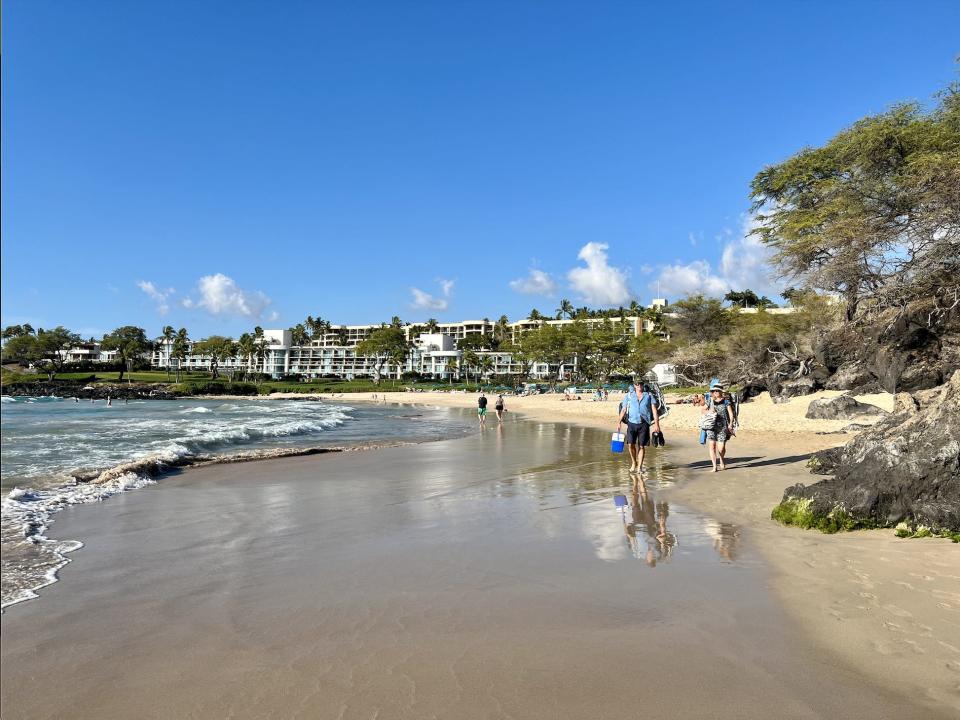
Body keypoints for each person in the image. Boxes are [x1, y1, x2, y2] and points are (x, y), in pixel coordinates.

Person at [617, 379, 661, 474]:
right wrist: (619, 422)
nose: (639, 386)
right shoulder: (629, 396)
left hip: (644, 423)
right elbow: (623, 409)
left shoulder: (649, 395)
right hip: (631, 423)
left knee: (641, 446)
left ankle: (640, 467)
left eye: (641, 384)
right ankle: (634, 462)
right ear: (634, 385)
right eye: (637, 384)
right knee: (630, 445)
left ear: (643, 385)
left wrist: (657, 424)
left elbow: (654, 410)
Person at [702, 382, 735, 472]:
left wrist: (731, 423)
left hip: (722, 427)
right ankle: (714, 466)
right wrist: (709, 412)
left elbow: (731, 414)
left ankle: (722, 460)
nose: (716, 392)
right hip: (711, 426)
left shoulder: (726, 401)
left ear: (721, 391)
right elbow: (703, 410)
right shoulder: (710, 401)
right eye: (714, 391)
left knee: (721, 448)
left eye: (718, 390)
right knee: (712, 446)